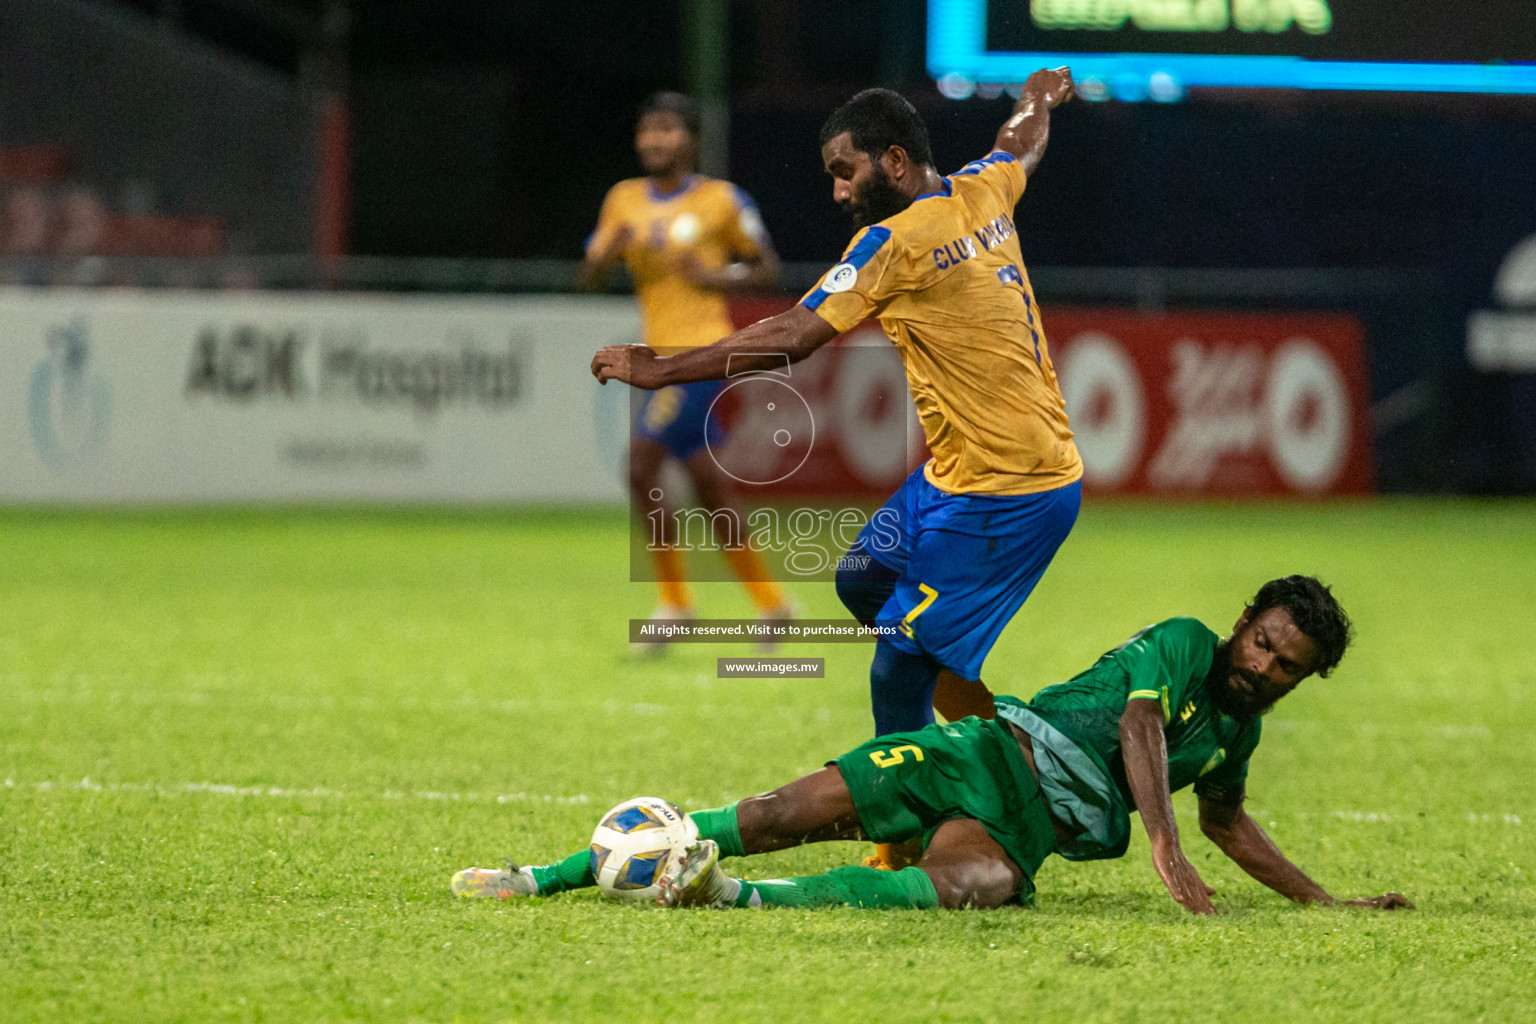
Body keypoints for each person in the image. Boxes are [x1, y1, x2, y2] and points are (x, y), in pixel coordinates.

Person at [592, 71, 1083, 853]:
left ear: (893, 162)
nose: (836, 193)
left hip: (1012, 492)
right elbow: (1018, 141)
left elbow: (794, 335)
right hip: (953, 477)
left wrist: (663, 366)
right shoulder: (983, 189)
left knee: (895, 669)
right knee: (861, 581)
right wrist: (1040, 96)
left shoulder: (890, 243)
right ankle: (1005, 752)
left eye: (844, 172)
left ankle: (907, 835)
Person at [452, 576, 1413, 915]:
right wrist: (1160, 842)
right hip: (984, 752)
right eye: (1264, 642)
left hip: (1024, 825)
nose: (1263, 667)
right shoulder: (1185, 645)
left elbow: (1232, 823)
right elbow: (1139, 726)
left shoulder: (1236, 733)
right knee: (782, 814)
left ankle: (729, 895)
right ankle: (543, 876)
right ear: (1243, 622)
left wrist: (1328, 901)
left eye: (1287, 666)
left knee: (977, 889)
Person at [580, 91, 793, 648]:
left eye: (668, 129)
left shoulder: (722, 201)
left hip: (703, 356)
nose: (654, 139)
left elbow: (767, 269)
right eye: (647, 129)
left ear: (690, 139)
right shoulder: (623, 201)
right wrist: (607, 254)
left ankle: (675, 605)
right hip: (658, 358)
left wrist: (712, 279)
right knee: (706, 489)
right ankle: (773, 605)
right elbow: (589, 276)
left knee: (638, 464)